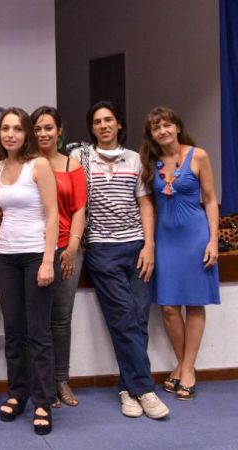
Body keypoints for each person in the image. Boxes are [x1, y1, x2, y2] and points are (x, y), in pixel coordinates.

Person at [70, 100, 169, 419]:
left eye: (108, 120)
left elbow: (145, 205)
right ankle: (146, 389)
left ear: (119, 124)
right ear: (91, 128)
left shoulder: (136, 160)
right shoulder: (80, 158)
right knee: (126, 316)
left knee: (138, 318)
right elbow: (77, 204)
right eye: (97, 121)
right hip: (102, 249)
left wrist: (149, 246)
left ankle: (128, 388)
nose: (103, 125)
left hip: (137, 247)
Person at [139, 106, 220, 401]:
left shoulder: (197, 156)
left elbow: (210, 201)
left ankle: (186, 370)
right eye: (155, 128)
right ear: (151, 135)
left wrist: (213, 240)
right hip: (166, 240)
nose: (162, 131)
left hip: (196, 237)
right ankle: (183, 364)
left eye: (166, 125)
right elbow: (146, 203)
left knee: (195, 304)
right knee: (169, 307)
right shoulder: (151, 162)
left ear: (176, 127)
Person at [0, 108, 58, 435]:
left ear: (26, 134)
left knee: (38, 333)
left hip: (36, 255)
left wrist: (48, 260)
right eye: (5, 128)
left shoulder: (40, 164)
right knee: (14, 331)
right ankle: (17, 392)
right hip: (5, 256)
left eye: (17, 129)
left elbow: (52, 213)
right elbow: (3, 212)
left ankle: (43, 401)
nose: (10, 134)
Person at [31, 106, 86, 408]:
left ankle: (60, 379)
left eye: (48, 128)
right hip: (33, 251)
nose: (43, 134)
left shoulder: (71, 165)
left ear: (59, 131)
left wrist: (73, 247)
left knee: (61, 318)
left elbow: (79, 208)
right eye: (37, 128)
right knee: (36, 321)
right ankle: (41, 383)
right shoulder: (27, 165)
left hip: (66, 250)